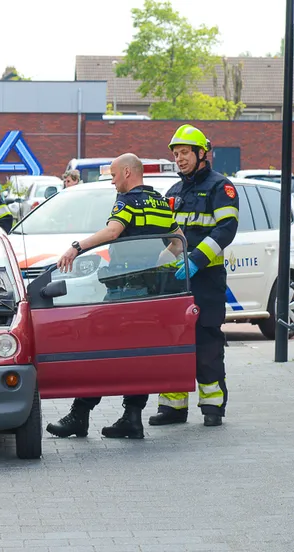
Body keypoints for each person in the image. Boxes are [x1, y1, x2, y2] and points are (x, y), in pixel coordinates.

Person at [45, 154, 183, 439]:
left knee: (97, 352)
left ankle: (79, 415)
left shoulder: (127, 201)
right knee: (138, 356)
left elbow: (113, 230)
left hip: (124, 289)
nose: (113, 180)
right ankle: (132, 418)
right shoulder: (159, 202)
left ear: (129, 172)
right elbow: (178, 240)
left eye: (115, 175)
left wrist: (75, 247)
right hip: (150, 292)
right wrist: (157, 261)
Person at [150, 125, 239, 428]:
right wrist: (167, 254)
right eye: (176, 154)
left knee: (206, 340)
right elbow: (164, 231)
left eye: (185, 152)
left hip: (207, 278)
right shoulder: (173, 192)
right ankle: (172, 407)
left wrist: (197, 260)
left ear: (202, 153)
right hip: (177, 279)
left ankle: (212, 407)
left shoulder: (220, 187)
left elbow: (226, 229)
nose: (180, 159)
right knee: (173, 339)